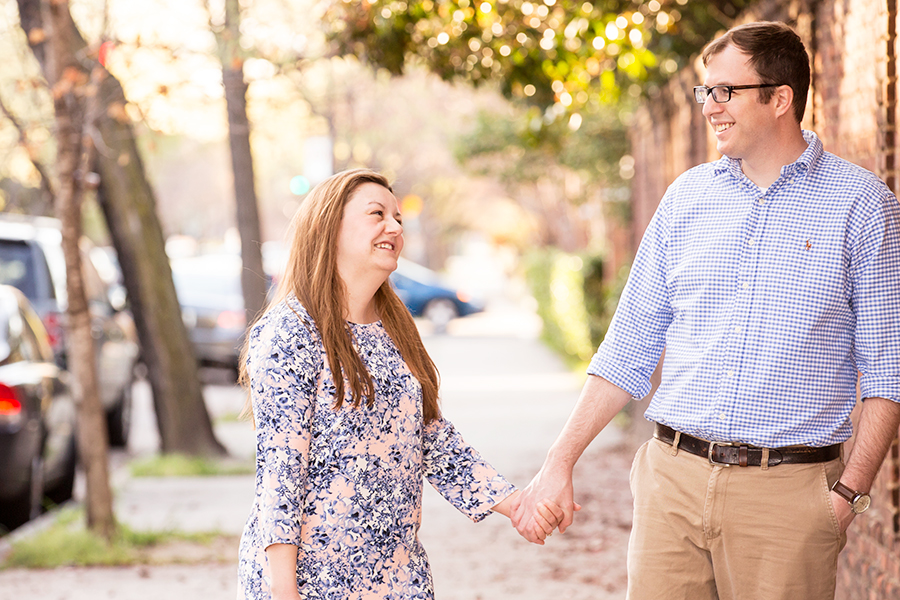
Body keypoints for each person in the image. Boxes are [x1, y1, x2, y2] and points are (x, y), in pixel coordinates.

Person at [511, 20, 900, 600]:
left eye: (726, 91)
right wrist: (559, 461)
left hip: (787, 497)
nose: (710, 106)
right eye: (705, 92)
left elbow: (888, 370)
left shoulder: (862, 207)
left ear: (779, 98)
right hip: (672, 478)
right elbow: (628, 346)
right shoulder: (687, 197)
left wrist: (846, 496)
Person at [236, 168, 557, 600]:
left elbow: (430, 438)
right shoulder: (289, 332)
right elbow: (280, 475)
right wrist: (284, 592)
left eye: (398, 218)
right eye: (377, 214)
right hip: (313, 581)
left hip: (397, 577)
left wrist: (515, 503)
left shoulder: (395, 328)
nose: (394, 227)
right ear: (330, 227)